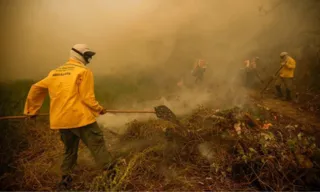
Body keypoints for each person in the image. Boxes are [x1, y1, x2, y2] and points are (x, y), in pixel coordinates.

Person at [23, 44, 114, 190]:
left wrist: (32, 111)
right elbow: (87, 98)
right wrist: (99, 109)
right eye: (87, 55)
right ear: (79, 55)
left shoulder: (54, 72)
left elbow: (36, 88)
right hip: (81, 119)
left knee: (69, 151)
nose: (89, 58)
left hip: (61, 121)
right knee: (98, 146)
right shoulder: (84, 72)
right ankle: (110, 175)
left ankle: (66, 179)